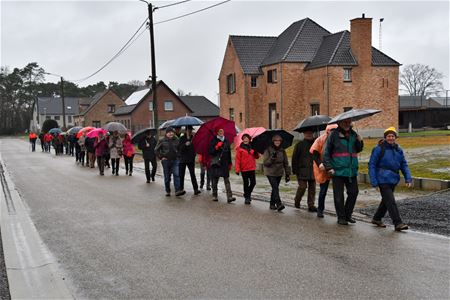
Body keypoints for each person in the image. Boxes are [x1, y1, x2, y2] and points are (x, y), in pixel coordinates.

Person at [368, 127, 411, 231]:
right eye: (388, 136)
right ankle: (398, 223)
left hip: (393, 179)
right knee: (391, 201)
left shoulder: (398, 149)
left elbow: (404, 165)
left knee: (386, 201)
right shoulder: (379, 148)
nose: (391, 138)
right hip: (382, 178)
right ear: (385, 137)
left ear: (395, 137)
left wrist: (408, 178)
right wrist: (374, 182)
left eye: (392, 136)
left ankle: (377, 218)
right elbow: (372, 165)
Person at [323, 118, 363, 225]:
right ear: (339, 123)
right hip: (337, 170)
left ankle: (347, 215)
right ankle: (341, 217)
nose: (347, 124)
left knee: (354, 192)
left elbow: (358, 149)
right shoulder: (333, 135)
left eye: (348, 122)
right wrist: (329, 167)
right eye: (344, 122)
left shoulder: (354, 134)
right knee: (339, 195)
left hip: (351, 170)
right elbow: (326, 153)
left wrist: (360, 140)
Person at [310, 124, 338, 218]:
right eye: (331, 130)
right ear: (327, 131)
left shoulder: (339, 139)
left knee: (338, 191)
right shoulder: (320, 139)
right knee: (323, 190)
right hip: (323, 167)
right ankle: (320, 209)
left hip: (335, 166)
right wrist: (319, 164)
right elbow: (314, 152)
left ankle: (340, 212)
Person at [263, 135, 291, 211]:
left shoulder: (282, 150)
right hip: (270, 172)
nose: (277, 142)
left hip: (279, 172)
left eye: (279, 141)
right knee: (275, 187)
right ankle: (279, 204)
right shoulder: (268, 149)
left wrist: (287, 174)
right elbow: (265, 163)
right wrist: (272, 158)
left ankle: (272, 204)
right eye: (276, 140)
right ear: (273, 141)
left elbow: (286, 162)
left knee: (275, 188)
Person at [292, 130, 317, 212]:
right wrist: (295, 170)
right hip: (301, 170)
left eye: (310, 133)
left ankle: (311, 204)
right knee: (302, 187)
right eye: (307, 133)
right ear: (304, 134)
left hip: (313, 169)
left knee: (312, 188)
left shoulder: (316, 143)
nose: (309, 134)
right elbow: (294, 158)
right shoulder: (299, 145)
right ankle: (297, 200)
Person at [155, 127, 185, 196]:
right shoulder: (162, 140)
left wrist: (178, 155)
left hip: (175, 160)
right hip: (166, 161)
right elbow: (156, 150)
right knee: (167, 176)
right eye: (169, 132)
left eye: (172, 132)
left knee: (176, 174)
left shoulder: (176, 139)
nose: (171, 133)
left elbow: (180, 148)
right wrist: (161, 157)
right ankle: (168, 190)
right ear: (166, 133)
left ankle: (177, 190)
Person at [208, 128, 235, 203]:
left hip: (224, 163)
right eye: (219, 131)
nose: (221, 132)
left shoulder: (226, 141)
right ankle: (214, 195)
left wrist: (230, 163)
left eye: (222, 131)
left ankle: (229, 197)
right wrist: (216, 147)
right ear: (217, 132)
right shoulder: (213, 141)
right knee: (215, 180)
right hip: (216, 163)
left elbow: (228, 152)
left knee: (227, 180)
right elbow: (210, 152)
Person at [235, 133, 259, 204]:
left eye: (246, 138)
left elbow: (257, 157)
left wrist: (256, 152)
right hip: (244, 169)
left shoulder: (253, 147)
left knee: (253, 183)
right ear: (242, 140)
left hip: (252, 168)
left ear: (249, 139)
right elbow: (237, 160)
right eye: (244, 138)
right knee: (246, 183)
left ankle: (247, 194)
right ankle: (247, 198)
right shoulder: (240, 149)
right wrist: (237, 169)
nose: (245, 139)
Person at [178, 126, 201, 195]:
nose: (190, 131)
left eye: (191, 130)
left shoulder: (193, 138)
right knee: (181, 175)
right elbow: (180, 149)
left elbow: (195, 147)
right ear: (185, 131)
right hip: (183, 159)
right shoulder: (182, 138)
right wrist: (185, 144)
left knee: (192, 174)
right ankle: (181, 189)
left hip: (191, 159)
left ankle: (196, 189)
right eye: (188, 130)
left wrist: (195, 154)